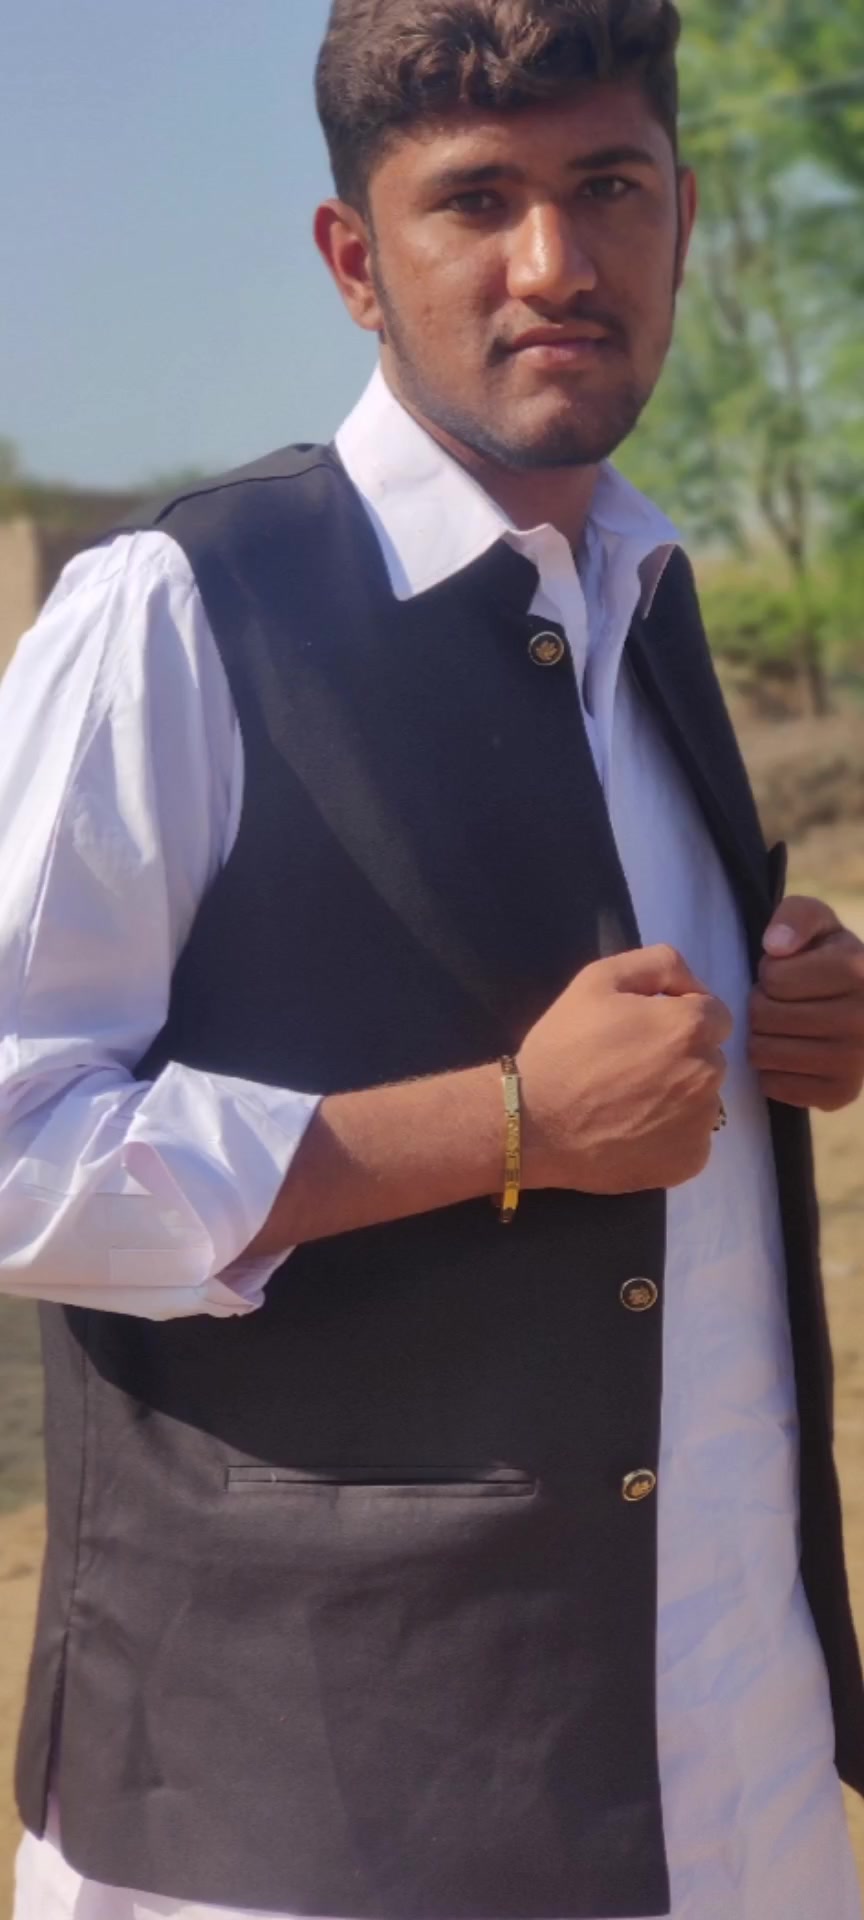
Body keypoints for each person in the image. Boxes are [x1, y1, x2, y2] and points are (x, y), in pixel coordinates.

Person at [3, 0, 864, 1915]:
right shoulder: (176, 613)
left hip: (727, 1767)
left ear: (681, 221)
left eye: (608, 187)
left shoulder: (639, 596)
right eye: (476, 200)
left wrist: (791, 1006)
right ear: (353, 260)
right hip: (308, 1822)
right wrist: (502, 1127)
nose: (555, 262)